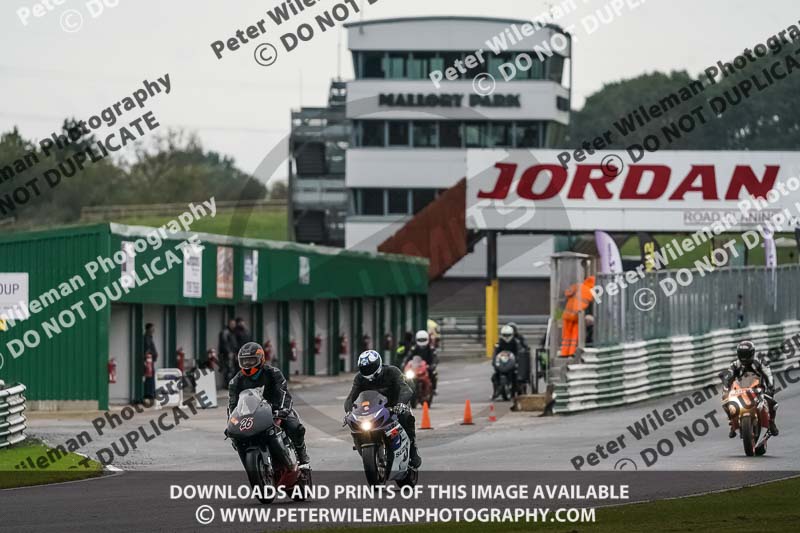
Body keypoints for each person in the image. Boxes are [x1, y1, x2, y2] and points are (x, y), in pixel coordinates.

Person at [227, 342, 310, 466]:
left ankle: (301, 453)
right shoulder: (236, 381)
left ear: (261, 359)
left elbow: (283, 393)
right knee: (236, 438)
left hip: (275, 411)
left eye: (251, 361)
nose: (248, 365)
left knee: (295, 427)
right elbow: (233, 405)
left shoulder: (273, 373)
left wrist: (282, 411)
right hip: (251, 415)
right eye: (245, 362)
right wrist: (231, 423)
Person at [344, 350, 421, 468]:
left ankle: (413, 450)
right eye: (364, 368)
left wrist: (401, 404)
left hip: (395, 406)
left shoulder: (392, 371)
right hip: (373, 409)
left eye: (370, 367)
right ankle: (364, 446)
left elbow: (405, 389)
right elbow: (351, 397)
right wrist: (349, 411)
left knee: (406, 417)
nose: (368, 370)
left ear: (378, 364)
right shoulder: (360, 378)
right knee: (356, 425)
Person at [722, 340, 779, 437]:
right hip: (740, 391)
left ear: (752, 353)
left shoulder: (760, 363)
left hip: (758, 390)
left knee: (772, 403)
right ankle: (732, 423)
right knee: (725, 402)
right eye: (742, 354)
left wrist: (770, 387)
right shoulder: (735, 365)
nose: (744, 357)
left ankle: (771, 422)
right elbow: (729, 376)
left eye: (746, 354)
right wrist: (726, 388)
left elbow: (769, 375)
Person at [491, 325, 522, 400]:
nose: (506, 337)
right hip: (502, 363)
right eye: (505, 335)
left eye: (508, 335)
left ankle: (517, 391)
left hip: (512, 364)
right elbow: (495, 353)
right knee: (494, 377)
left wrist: (517, 360)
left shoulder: (516, 343)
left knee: (517, 376)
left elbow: (519, 353)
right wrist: (494, 362)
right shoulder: (499, 343)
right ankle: (495, 391)